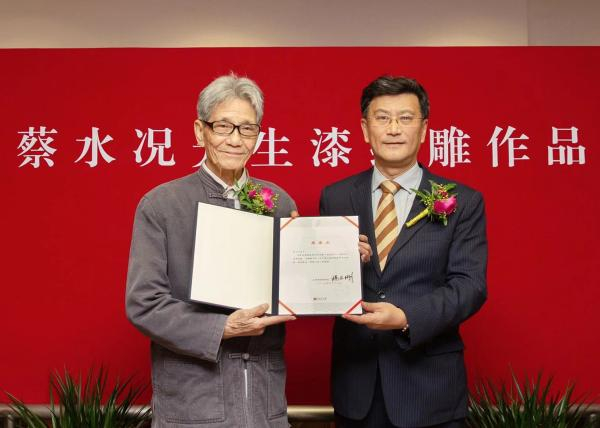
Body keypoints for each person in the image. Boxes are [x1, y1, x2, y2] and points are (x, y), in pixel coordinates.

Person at [126, 73, 298, 427]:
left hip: (264, 405)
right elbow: (144, 304)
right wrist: (223, 327)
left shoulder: (279, 203)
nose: (235, 139)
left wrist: (339, 256)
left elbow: (295, 293)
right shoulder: (162, 204)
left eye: (247, 129)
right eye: (223, 126)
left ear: (258, 136)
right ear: (199, 131)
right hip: (193, 404)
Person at [319, 76, 488, 428]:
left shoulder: (462, 201)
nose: (394, 129)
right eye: (382, 118)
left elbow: (469, 286)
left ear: (424, 129)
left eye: (406, 118)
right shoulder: (335, 197)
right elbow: (323, 285)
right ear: (365, 129)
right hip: (357, 388)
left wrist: (406, 317)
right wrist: (330, 259)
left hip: (429, 389)